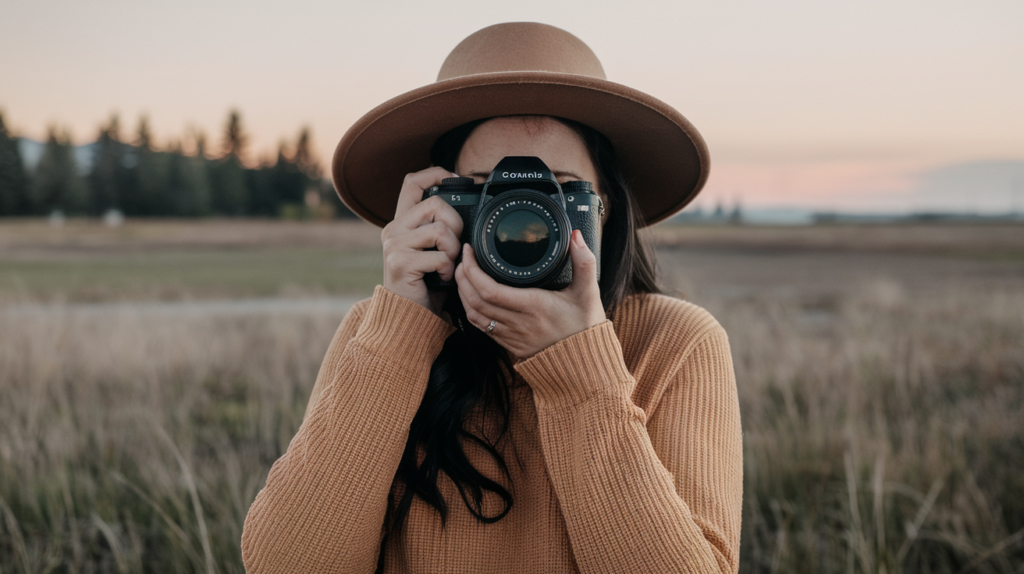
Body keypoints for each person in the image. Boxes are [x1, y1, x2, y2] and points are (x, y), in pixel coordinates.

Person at [241, 22, 742, 574]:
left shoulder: (674, 344)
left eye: (558, 190)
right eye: (484, 189)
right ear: (435, 203)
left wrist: (579, 372)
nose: (524, 219)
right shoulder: (383, 333)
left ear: (605, 208)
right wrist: (403, 327)